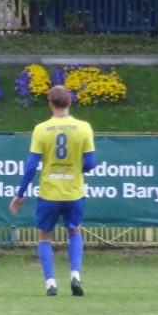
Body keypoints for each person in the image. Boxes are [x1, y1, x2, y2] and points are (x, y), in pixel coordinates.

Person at [9, 86, 96, 296]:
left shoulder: (41, 129)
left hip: (49, 193)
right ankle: (75, 274)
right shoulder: (84, 128)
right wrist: (77, 170)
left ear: (50, 103)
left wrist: (20, 194)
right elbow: (91, 163)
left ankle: (50, 282)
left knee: (44, 237)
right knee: (75, 231)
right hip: (73, 192)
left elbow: (31, 166)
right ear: (70, 102)